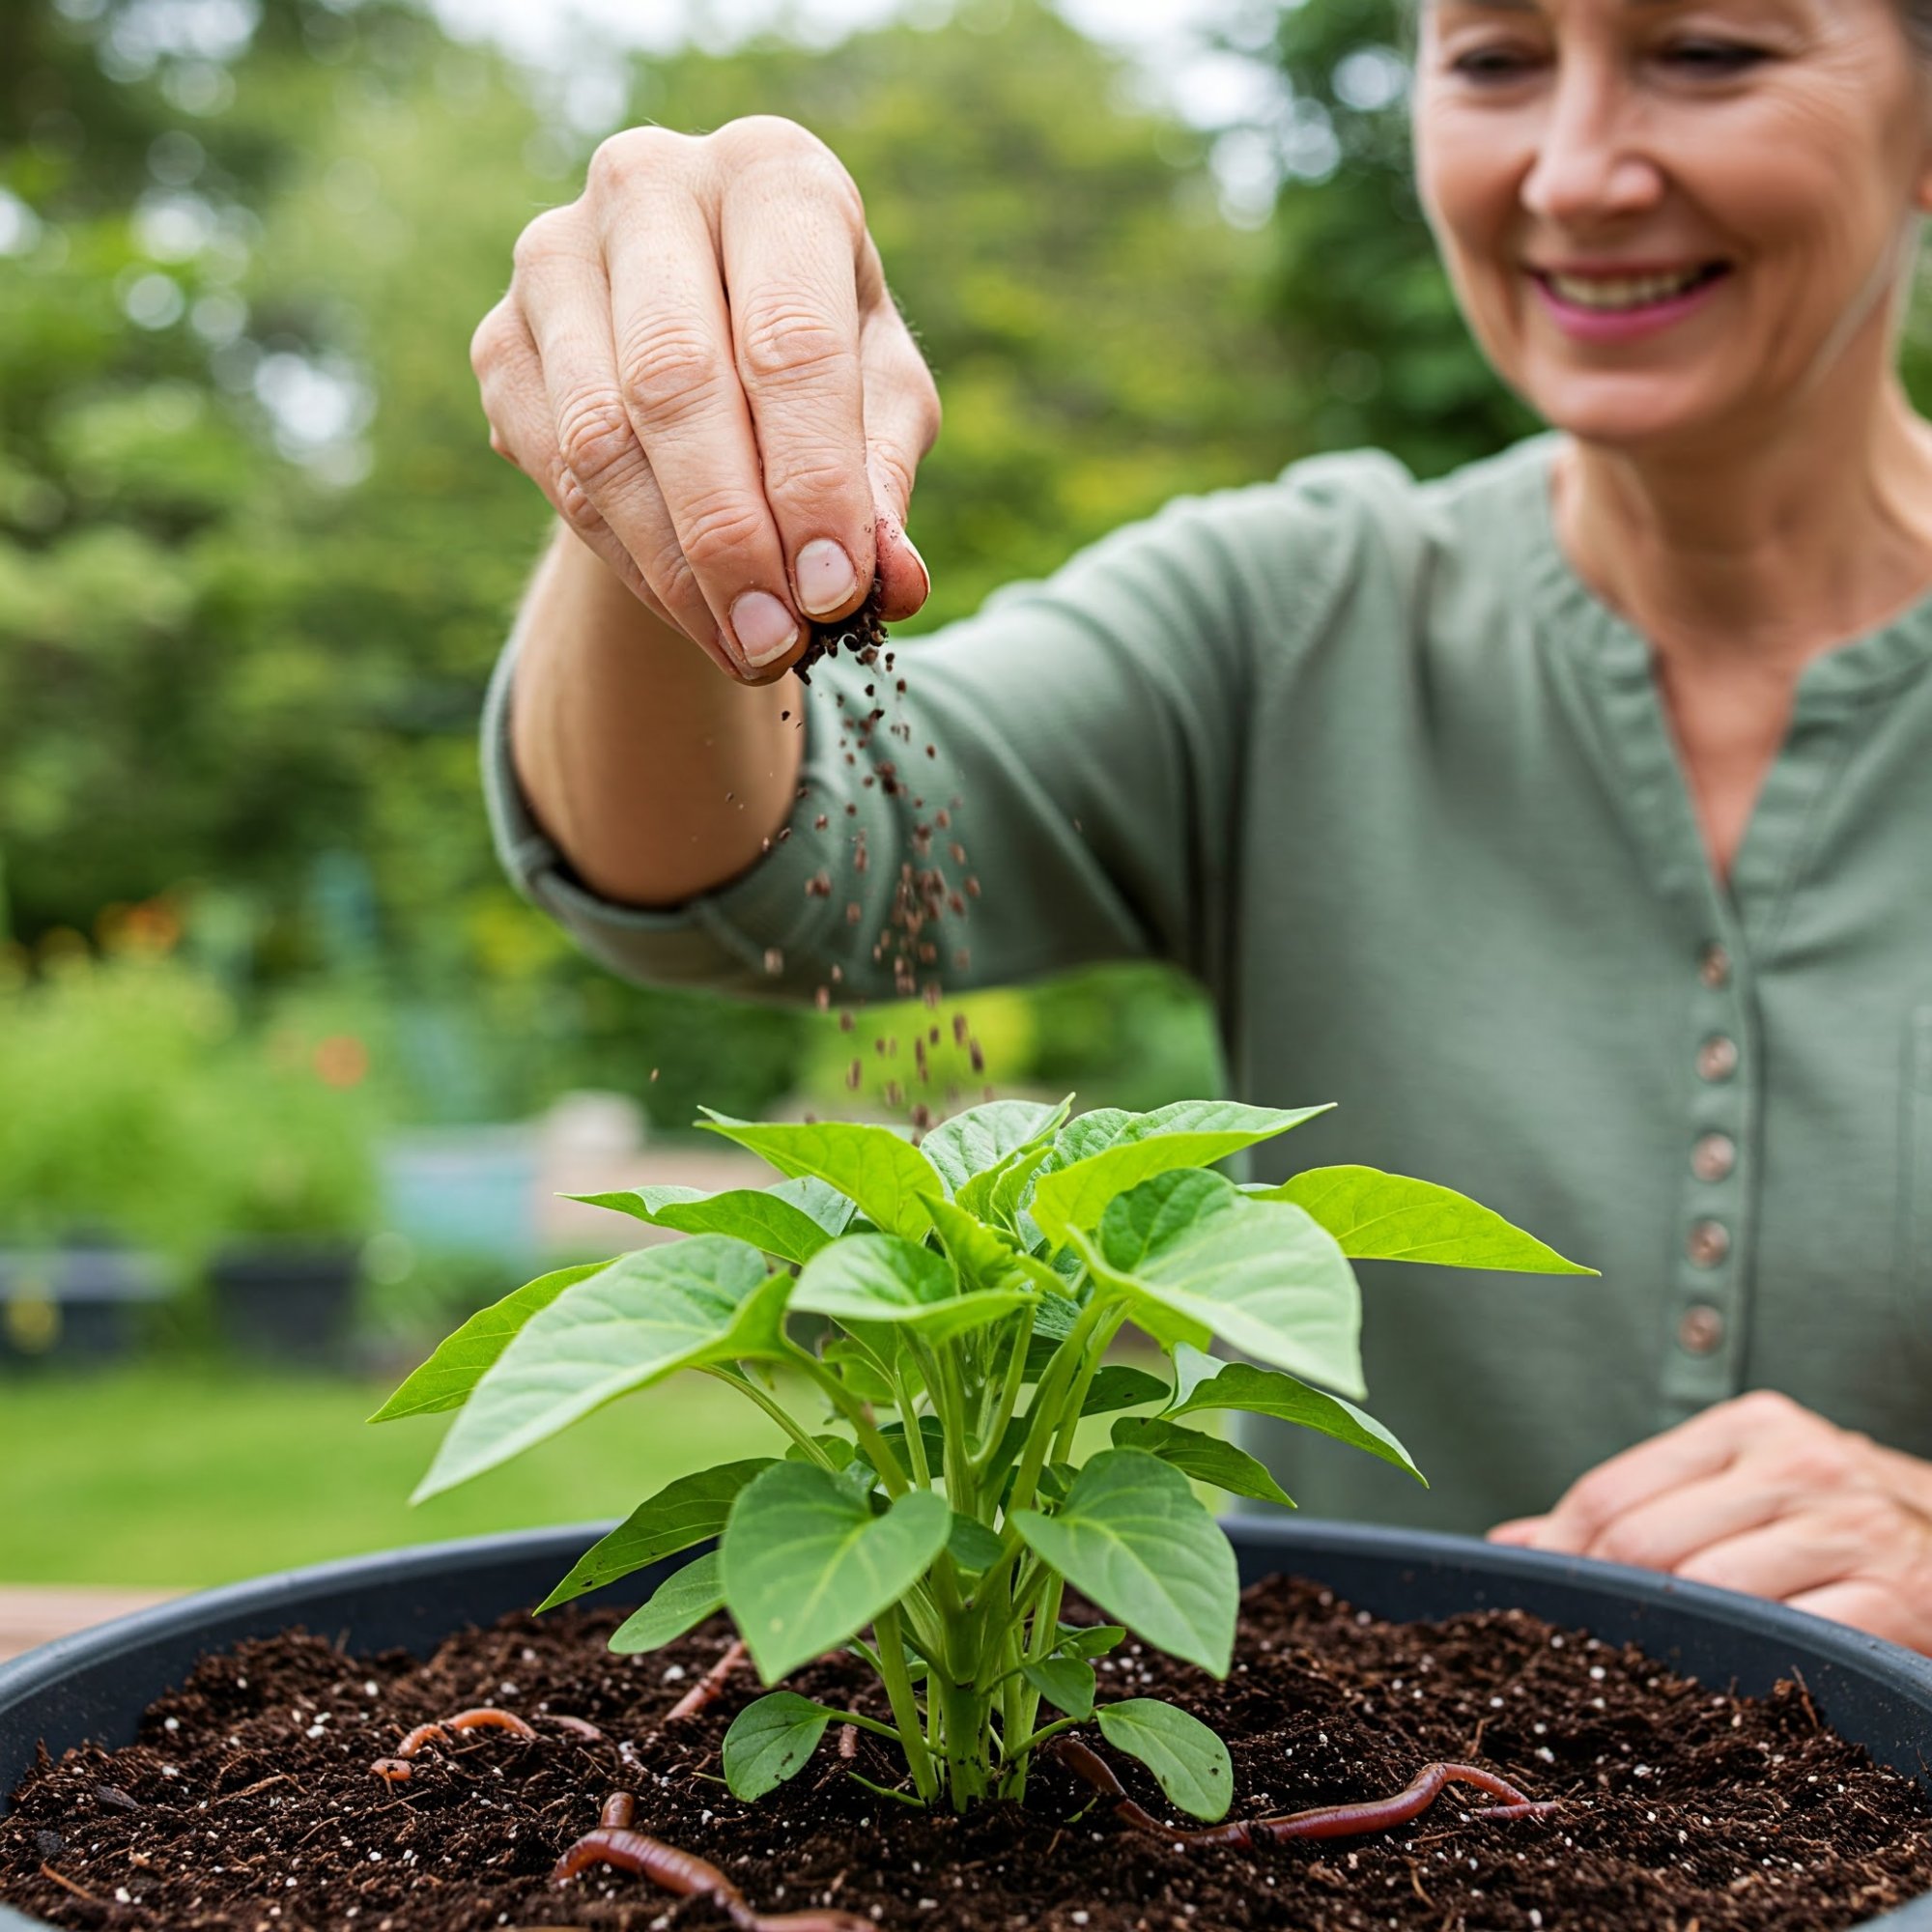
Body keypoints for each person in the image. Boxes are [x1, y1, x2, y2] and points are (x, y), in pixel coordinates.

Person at [469, 0, 1932, 1653]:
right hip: (1353, 1845)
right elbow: (781, 862)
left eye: (1711, 53)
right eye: (1496, 61)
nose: (1577, 174)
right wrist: (665, 477)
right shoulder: (1299, 620)